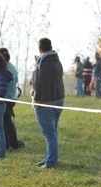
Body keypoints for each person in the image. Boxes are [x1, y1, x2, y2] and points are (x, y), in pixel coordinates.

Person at [30, 38, 65, 169]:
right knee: (53, 133)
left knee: (49, 134)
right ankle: (50, 158)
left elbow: (39, 83)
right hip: (58, 100)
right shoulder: (57, 60)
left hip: (46, 102)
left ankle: (50, 162)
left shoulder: (42, 63)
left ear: (40, 49)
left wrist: (35, 99)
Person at [0, 47, 20, 152]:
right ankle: (7, 144)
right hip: (12, 97)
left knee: (7, 123)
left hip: (6, 98)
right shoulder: (12, 66)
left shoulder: (4, 68)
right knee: (5, 122)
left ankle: (14, 144)